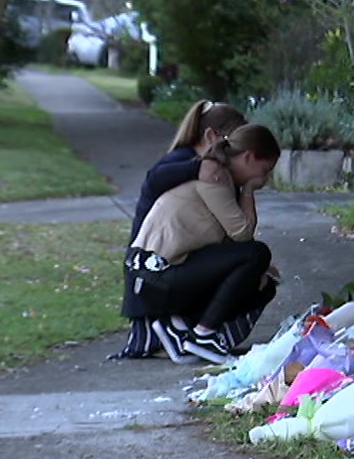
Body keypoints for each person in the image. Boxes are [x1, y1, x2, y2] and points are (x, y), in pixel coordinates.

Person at [125, 123, 282, 364]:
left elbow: (229, 246)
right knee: (256, 253)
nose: (265, 178)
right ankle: (202, 334)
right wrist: (249, 190)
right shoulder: (216, 178)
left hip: (157, 276)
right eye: (265, 169)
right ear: (249, 157)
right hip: (154, 277)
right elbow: (242, 234)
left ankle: (181, 332)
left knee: (261, 280)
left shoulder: (221, 177)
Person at [114, 100, 250, 361]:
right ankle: (180, 332)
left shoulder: (218, 173)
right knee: (251, 256)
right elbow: (154, 179)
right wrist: (197, 168)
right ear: (211, 136)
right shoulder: (183, 163)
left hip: (174, 265)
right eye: (234, 145)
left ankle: (198, 334)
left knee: (252, 263)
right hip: (153, 274)